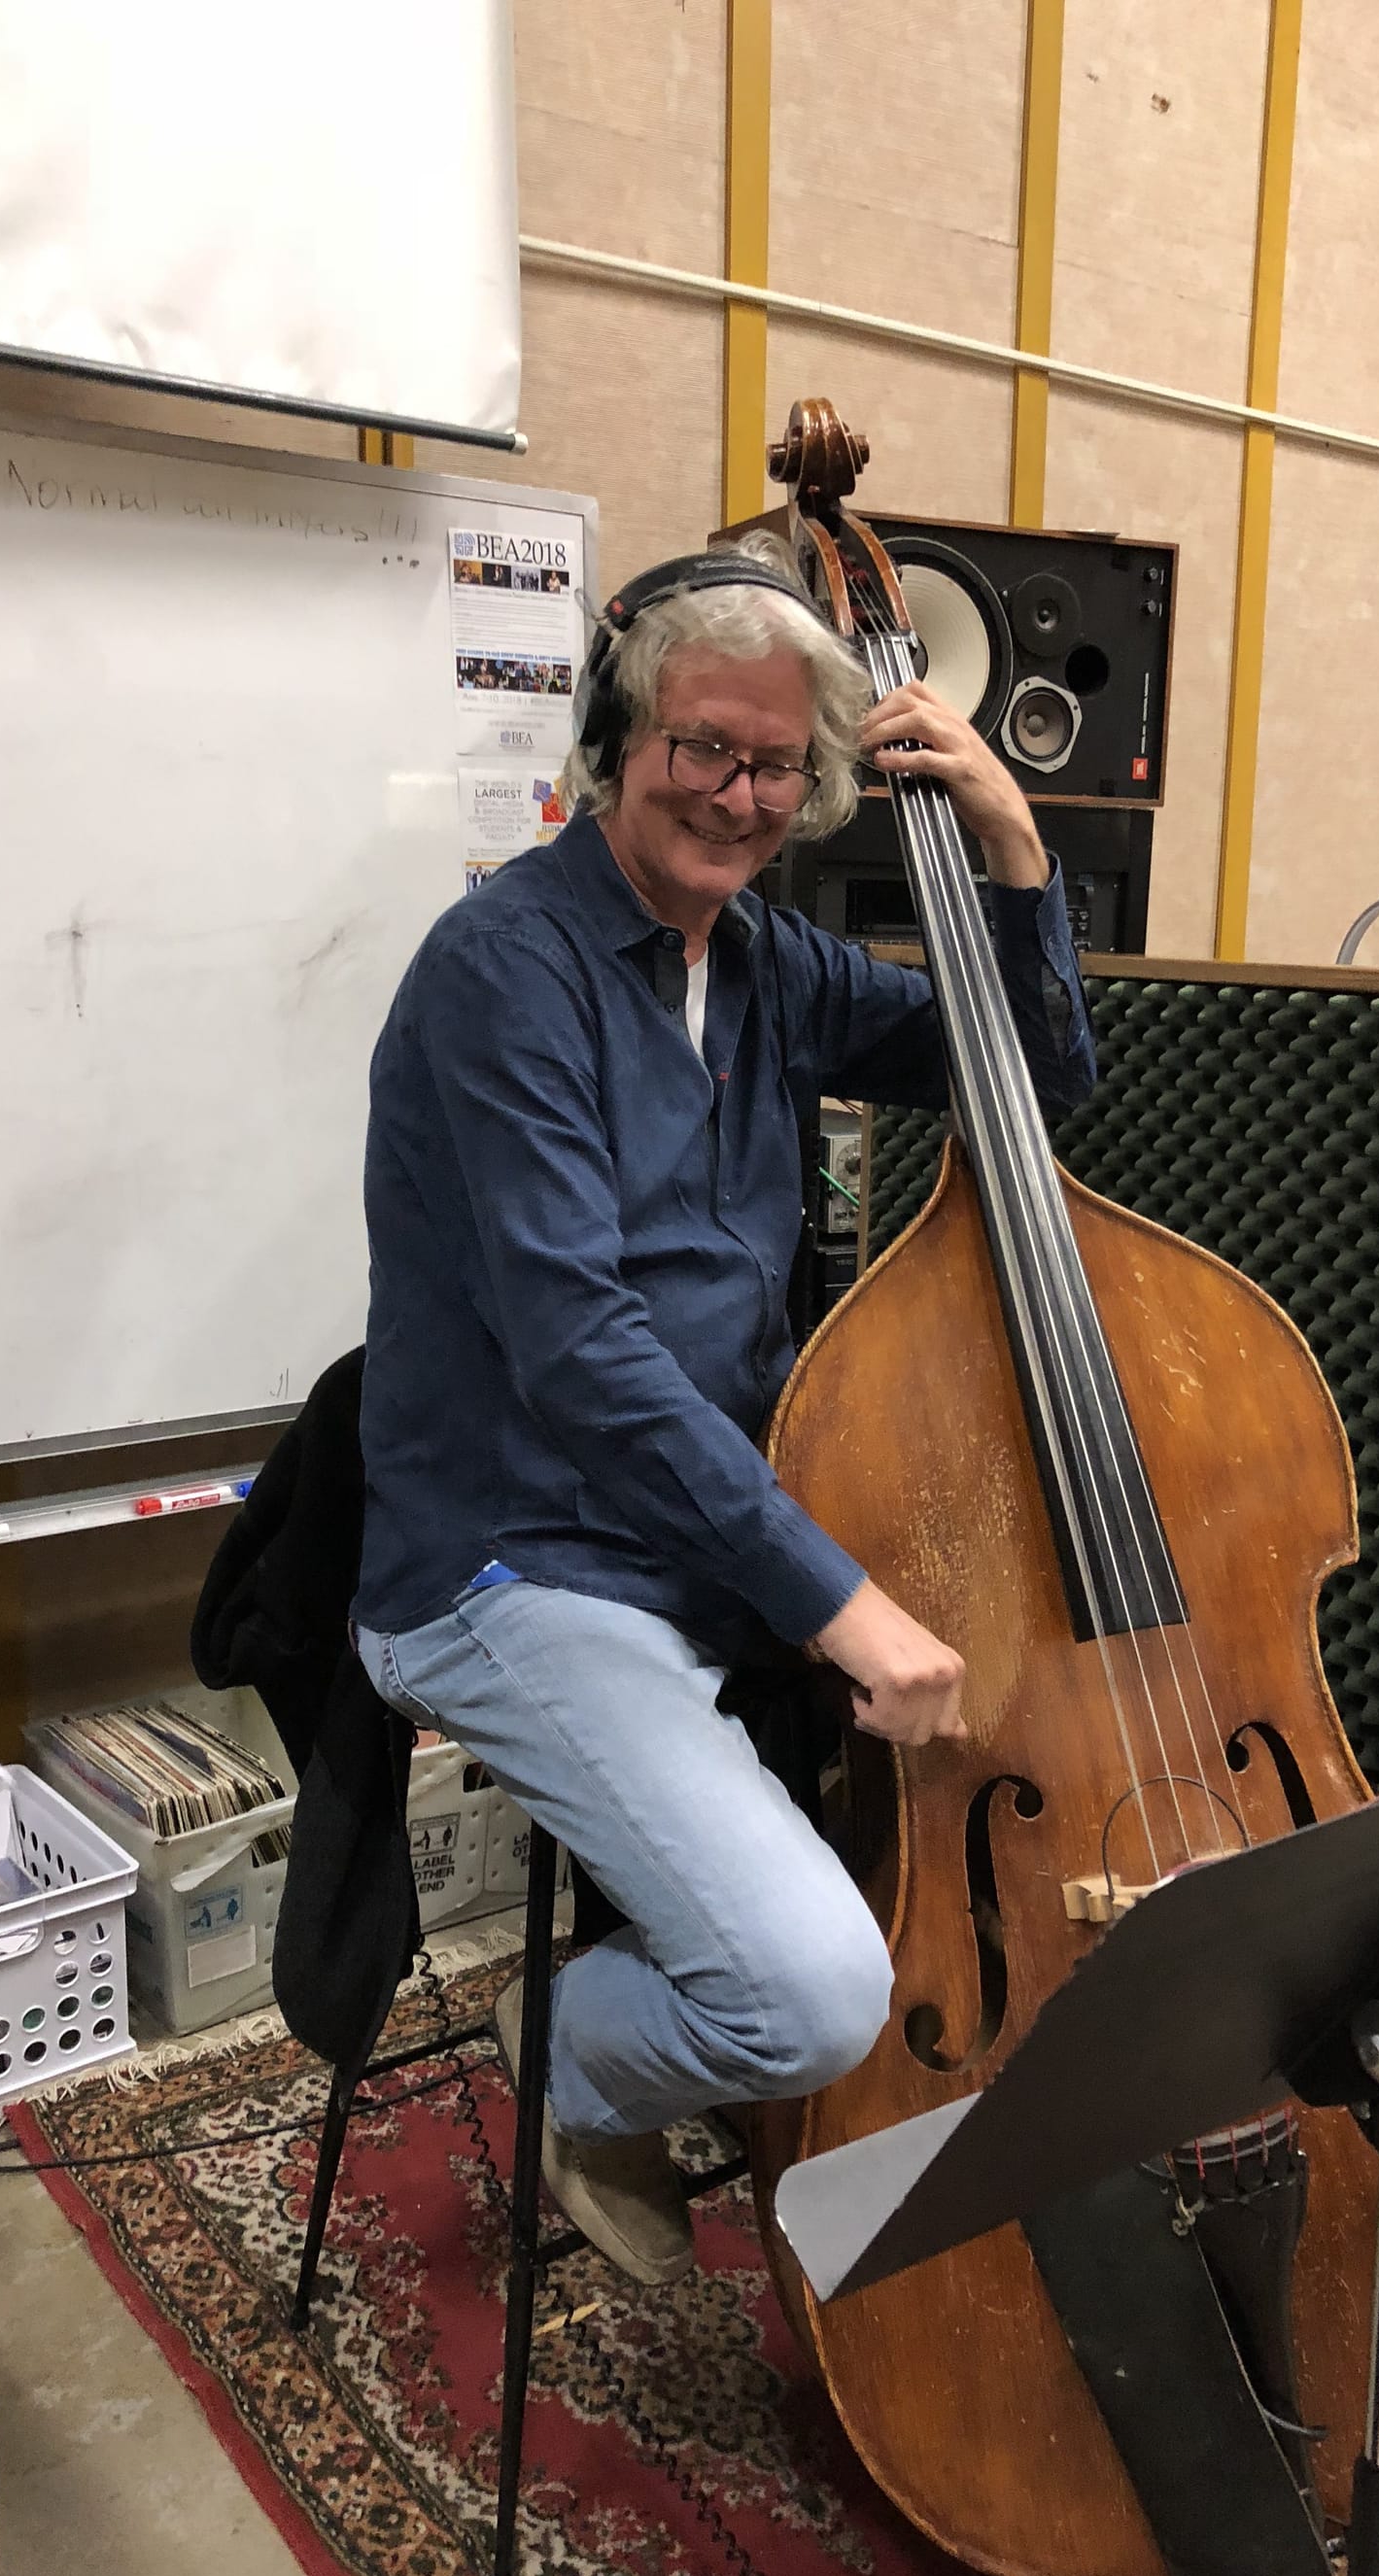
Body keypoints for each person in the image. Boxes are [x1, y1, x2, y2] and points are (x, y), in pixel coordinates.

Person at [354, 544, 1095, 2282]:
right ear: (622, 740)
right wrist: (832, 1596)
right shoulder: (502, 971)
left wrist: (1013, 845)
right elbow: (582, 1356)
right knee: (817, 1990)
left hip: (706, 1542)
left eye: (775, 766)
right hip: (516, 1567)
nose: (738, 794)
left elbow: (1034, 1083)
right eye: (702, 747)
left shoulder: (768, 964)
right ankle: (568, 2052)